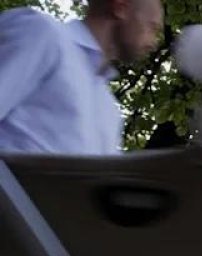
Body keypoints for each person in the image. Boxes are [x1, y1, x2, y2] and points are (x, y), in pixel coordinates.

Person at [0, 0, 164, 155]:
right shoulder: (42, 33)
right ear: (120, 8)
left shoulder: (109, 108)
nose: (154, 43)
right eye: (152, 27)